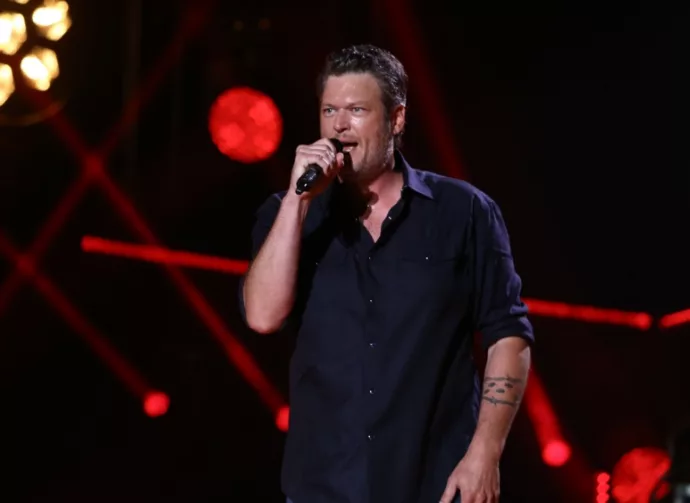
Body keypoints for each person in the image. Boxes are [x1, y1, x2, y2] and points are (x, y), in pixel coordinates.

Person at [240, 44, 534, 503]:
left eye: (356, 110)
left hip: (435, 484)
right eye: (329, 111)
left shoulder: (465, 213)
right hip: (324, 487)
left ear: (396, 120)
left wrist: (484, 455)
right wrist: (299, 203)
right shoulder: (288, 215)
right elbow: (261, 316)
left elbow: (508, 336)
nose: (339, 125)